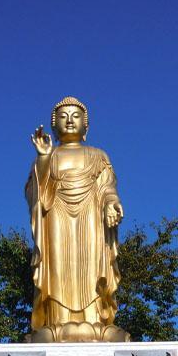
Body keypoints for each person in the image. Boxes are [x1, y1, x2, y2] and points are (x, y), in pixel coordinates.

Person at [25, 96, 129, 342]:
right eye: (63, 116)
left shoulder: (98, 155)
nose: (69, 121)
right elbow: (35, 192)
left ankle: (95, 318)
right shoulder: (49, 156)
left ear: (86, 126)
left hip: (90, 218)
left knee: (92, 265)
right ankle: (57, 319)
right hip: (56, 217)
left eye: (75, 116)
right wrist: (42, 158)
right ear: (53, 126)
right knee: (59, 265)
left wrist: (111, 203)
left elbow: (107, 187)